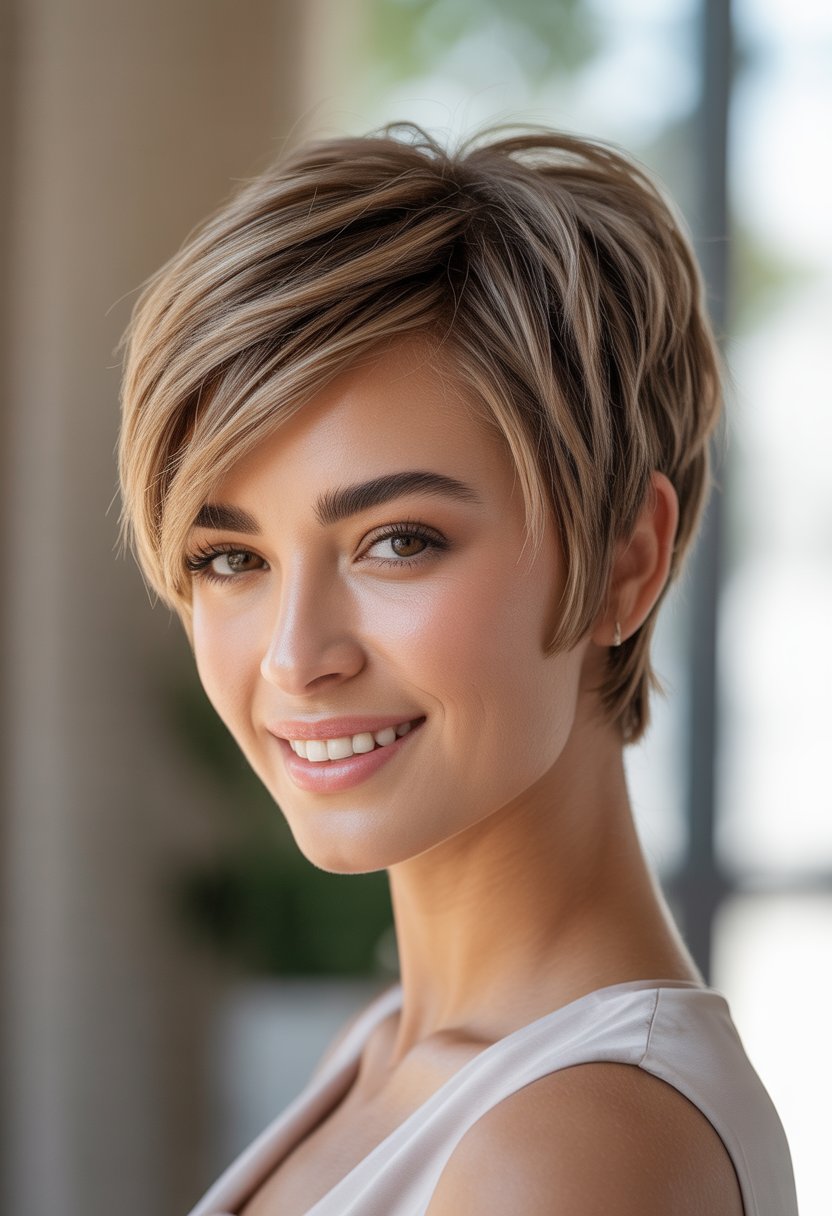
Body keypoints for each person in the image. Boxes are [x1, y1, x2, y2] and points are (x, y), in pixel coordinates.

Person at [118, 125, 797, 1215]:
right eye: (230, 557)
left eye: (397, 540)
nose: (296, 655)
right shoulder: (392, 1045)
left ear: (627, 560)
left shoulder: (575, 1148)